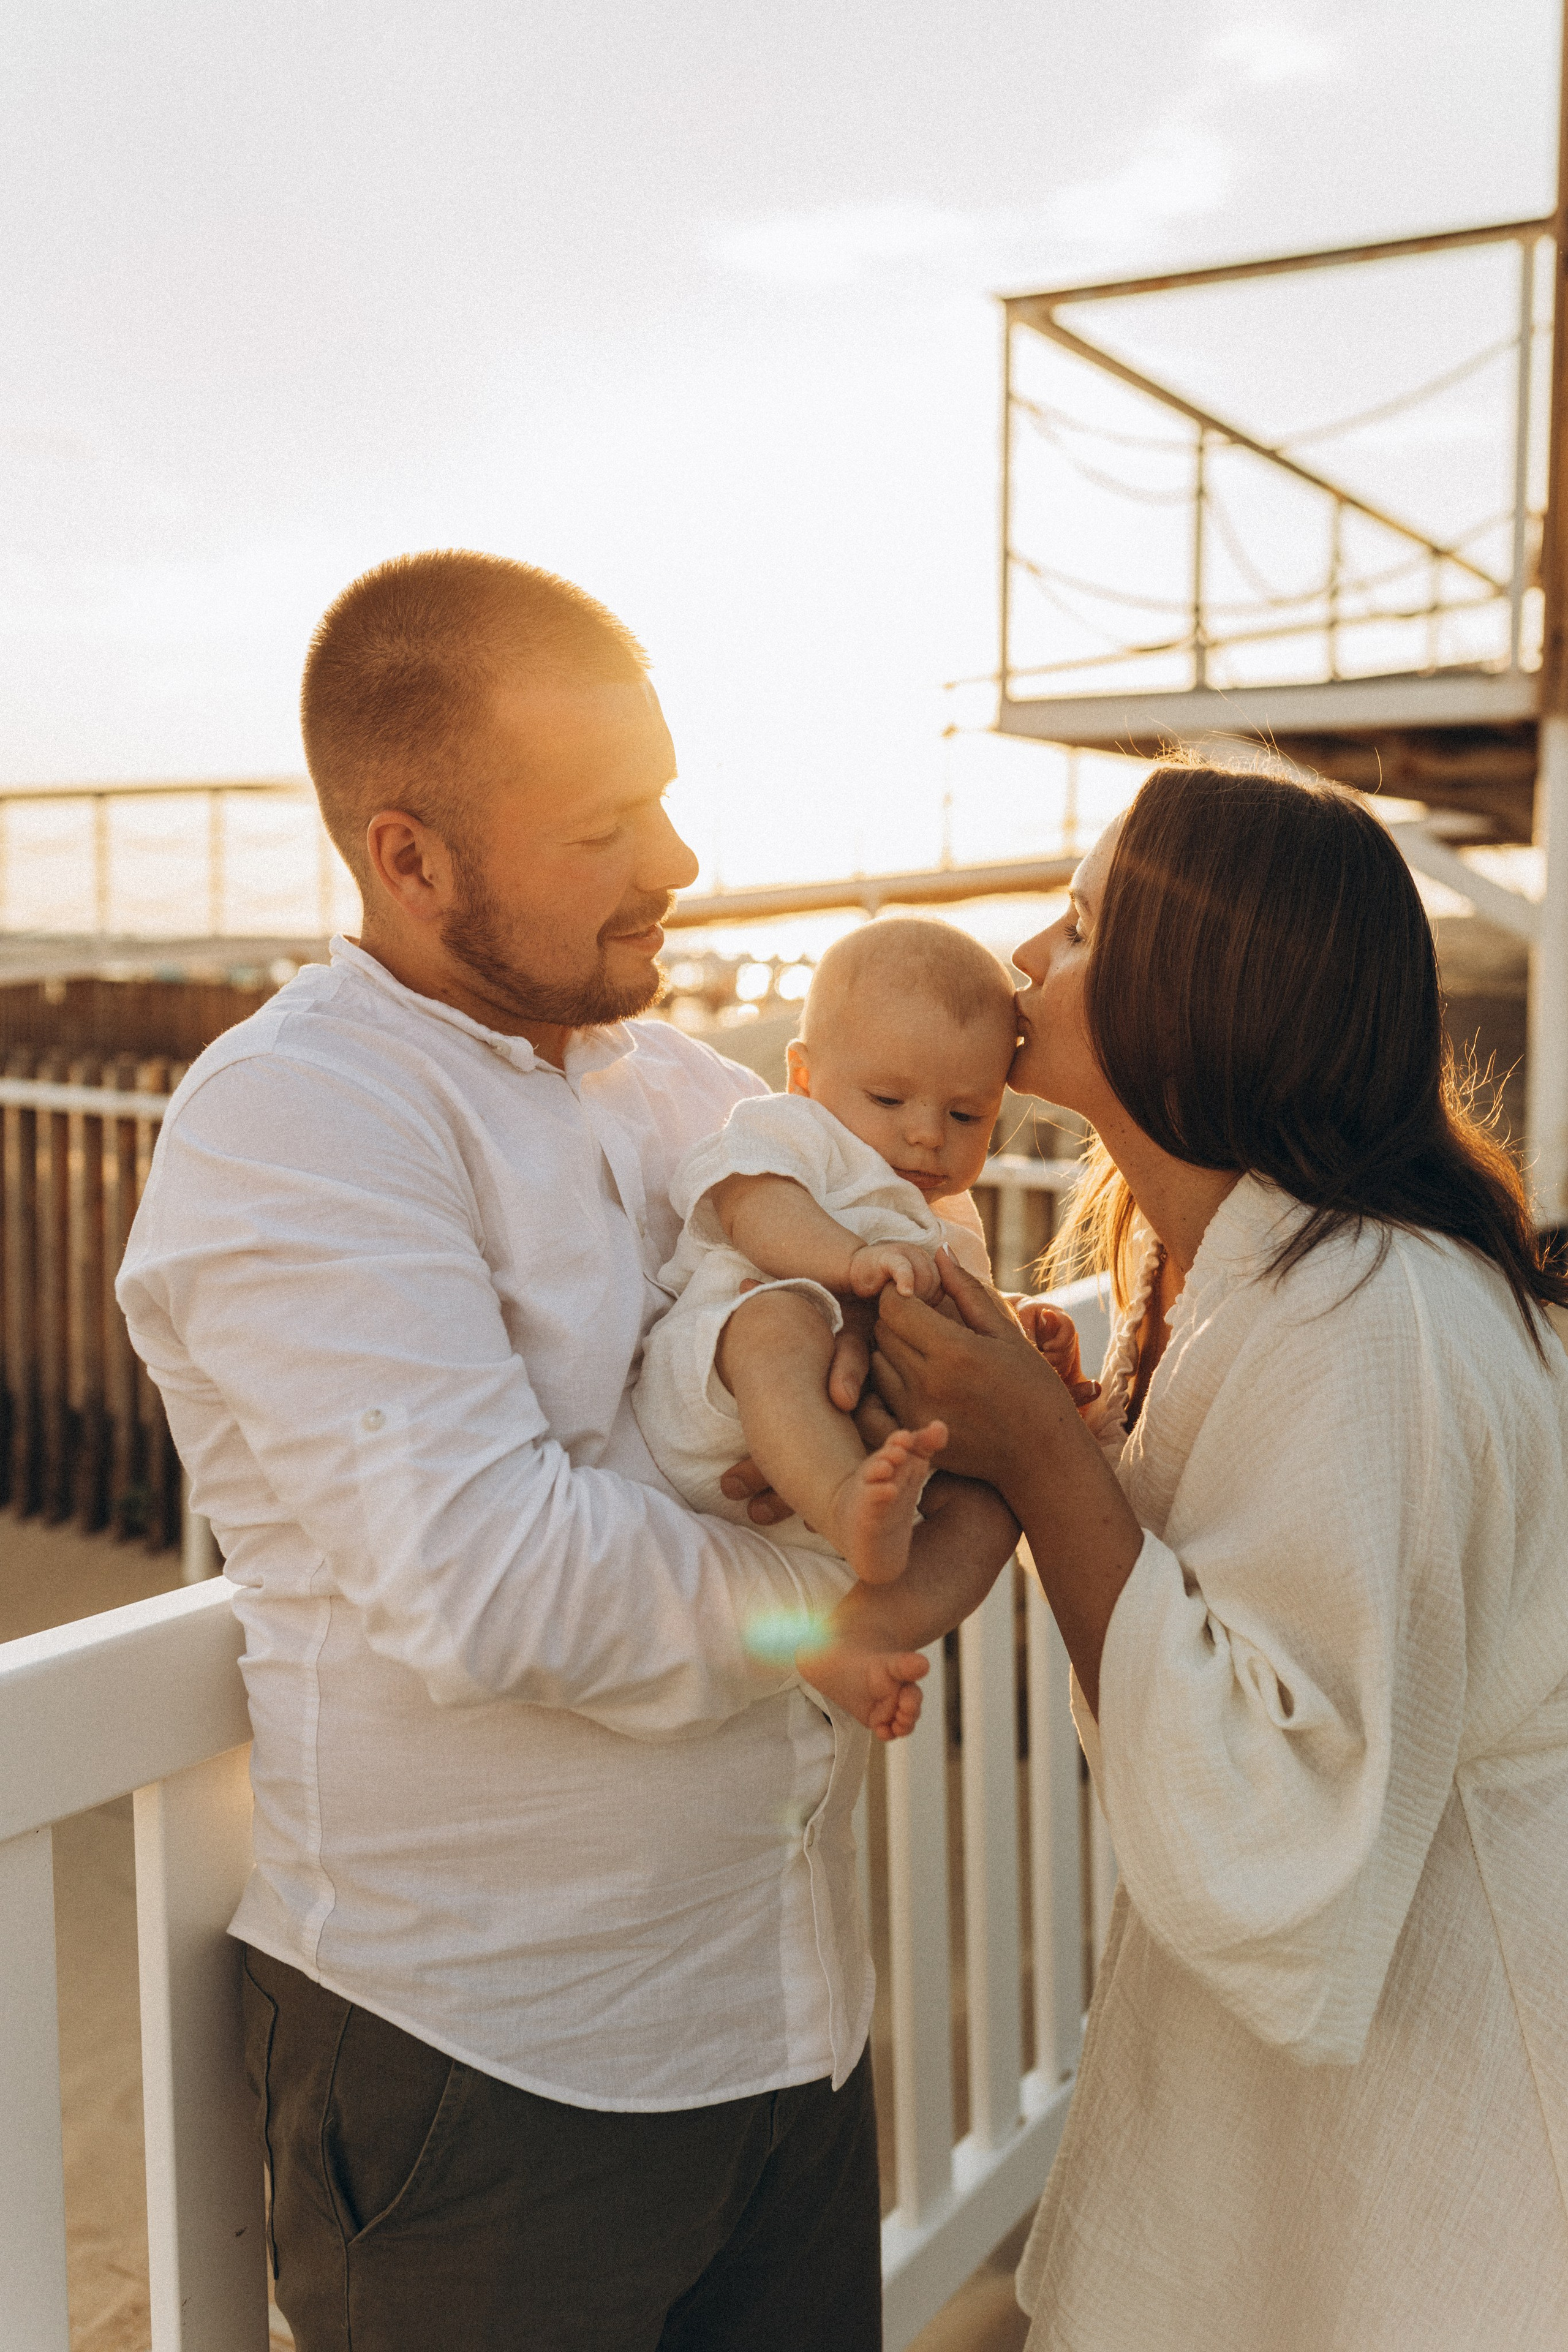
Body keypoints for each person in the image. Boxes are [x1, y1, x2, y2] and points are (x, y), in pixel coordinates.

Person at [116, 549, 1019, 2352]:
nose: (676, 861)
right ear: (411, 855)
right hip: (498, 2072)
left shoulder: (687, 1092)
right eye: (608, 821)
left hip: (787, 2030)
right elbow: (495, 1582)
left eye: (668, 798)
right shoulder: (300, 1118)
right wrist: (842, 1600)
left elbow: (937, 1351)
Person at [845, 762, 1568, 2350]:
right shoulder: (1261, 1272)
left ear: (1205, 981)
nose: (1031, 950)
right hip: (1363, 2063)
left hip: (1453, 2072)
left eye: (1089, 921)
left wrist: (1044, 1453)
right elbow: (1232, 1582)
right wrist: (1086, 1434)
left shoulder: (1382, 1315)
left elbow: (1284, 1803)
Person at [634, 920, 1087, 1724]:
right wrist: (847, 1261)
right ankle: (847, 1502)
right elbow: (753, 1205)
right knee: (780, 1316)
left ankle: (862, 1633)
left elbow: (962, 1322)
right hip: (723, 1402)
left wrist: (1024, 1342)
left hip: (875, 1467)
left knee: (988, 1507)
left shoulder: (944, 1216)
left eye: (966, 1115)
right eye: (889, 1099)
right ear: (804, 1077)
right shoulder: (792, 1130)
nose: (926, 1133)